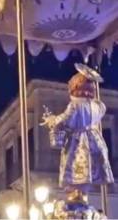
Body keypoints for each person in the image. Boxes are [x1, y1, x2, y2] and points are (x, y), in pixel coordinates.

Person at [42, 63, 114, 204]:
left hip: (78, 141)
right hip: (94, 139)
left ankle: (76, 197)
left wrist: (52, 120)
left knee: (75, 170)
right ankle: (82, 196)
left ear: (75, 87)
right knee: (87, 172)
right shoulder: (99, 106)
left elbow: (65, 120)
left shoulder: (75, 105)